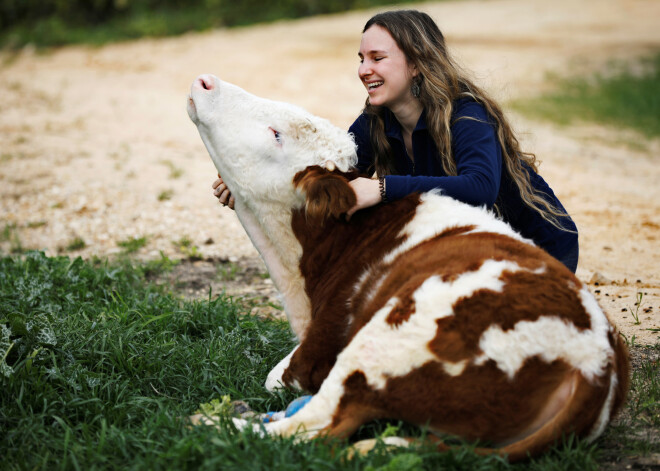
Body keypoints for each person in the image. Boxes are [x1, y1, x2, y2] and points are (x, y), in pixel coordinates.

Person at [213, 9, 579, 272]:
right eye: (361, 58)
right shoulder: (376, 122)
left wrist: (382, 189)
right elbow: (328, 177)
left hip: (539, 255)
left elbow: (480, 187)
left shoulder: (466, 115)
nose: (363, 69)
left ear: (416, 63)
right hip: (472, 256)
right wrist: (249, 187)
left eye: (377, 57)